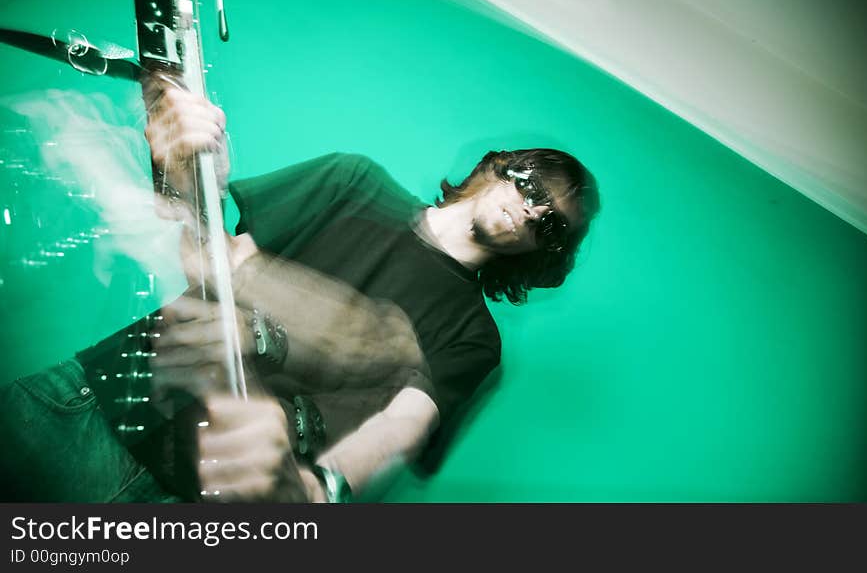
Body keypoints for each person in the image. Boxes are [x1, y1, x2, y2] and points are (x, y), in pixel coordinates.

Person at [0, 85, 600, 503]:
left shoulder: (475, 337)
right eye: (532, 182)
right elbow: (201, 251)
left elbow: (402, 426)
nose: (531, 208)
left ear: (545, 254)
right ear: (499, 167)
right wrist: (182, 162)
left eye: (550, 222)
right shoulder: (352, 181)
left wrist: (318, 491)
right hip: (94, 403)